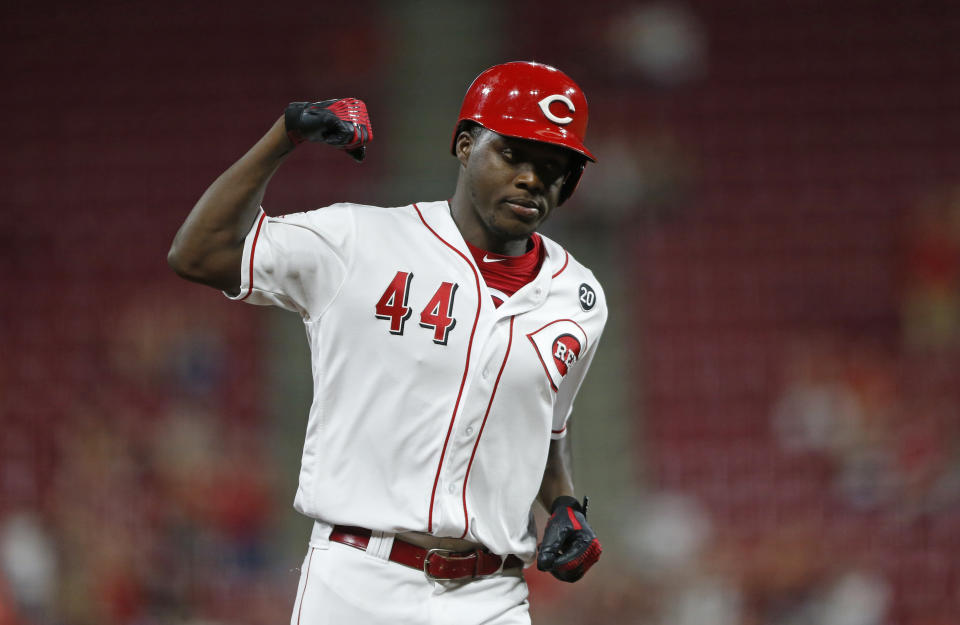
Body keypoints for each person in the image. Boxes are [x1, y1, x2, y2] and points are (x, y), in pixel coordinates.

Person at [168, 61, 606, 625]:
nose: (532, 178)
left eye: (554, 166)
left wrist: (566, 504)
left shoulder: (580, 297)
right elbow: (198, 254)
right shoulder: (359, 240)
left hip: (490, 594)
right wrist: (286, 136)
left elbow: (547, 427)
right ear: (466, 145)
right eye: (514, 154)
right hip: (356, 581)